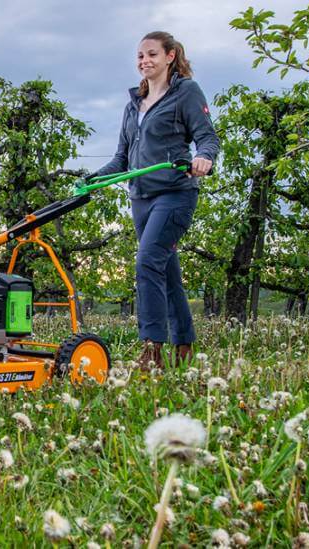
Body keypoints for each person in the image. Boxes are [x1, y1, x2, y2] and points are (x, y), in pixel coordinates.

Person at [92, 31, 219, 369]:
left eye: (151, 55)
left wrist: (204, 158)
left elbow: (207, 136)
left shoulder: (186, 93)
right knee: (166, 272)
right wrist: (93, 179)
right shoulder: (133, 104)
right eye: (139, 57)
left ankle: (152, 349)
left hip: (175, 193)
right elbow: (122, 159)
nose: (144, 61)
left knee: (147, 260)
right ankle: (185, 346)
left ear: (170, 56)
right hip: (141, 198)